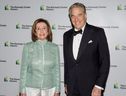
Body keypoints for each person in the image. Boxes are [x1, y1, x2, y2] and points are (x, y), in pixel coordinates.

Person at [63, 2, 110, 96]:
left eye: (79, 15)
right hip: (72, 87)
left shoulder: (97, 32)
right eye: (73, 16)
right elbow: (67, 62)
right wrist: (66, 82)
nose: (76, 19)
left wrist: (99, 86)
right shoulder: (66, 35)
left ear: (85, 15)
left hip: (92, 88)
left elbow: (105, 61)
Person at [19, 18, 60, 96]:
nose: (41, 31)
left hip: (50, 89)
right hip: (31, 89)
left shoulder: (54, 47)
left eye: (44, 28)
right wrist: (22, 90)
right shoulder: (27, 47)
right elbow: (23, 71)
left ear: (48, 31)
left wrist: (57, 90)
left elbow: (56, 71)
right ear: (35, 32)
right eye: (38, 29)